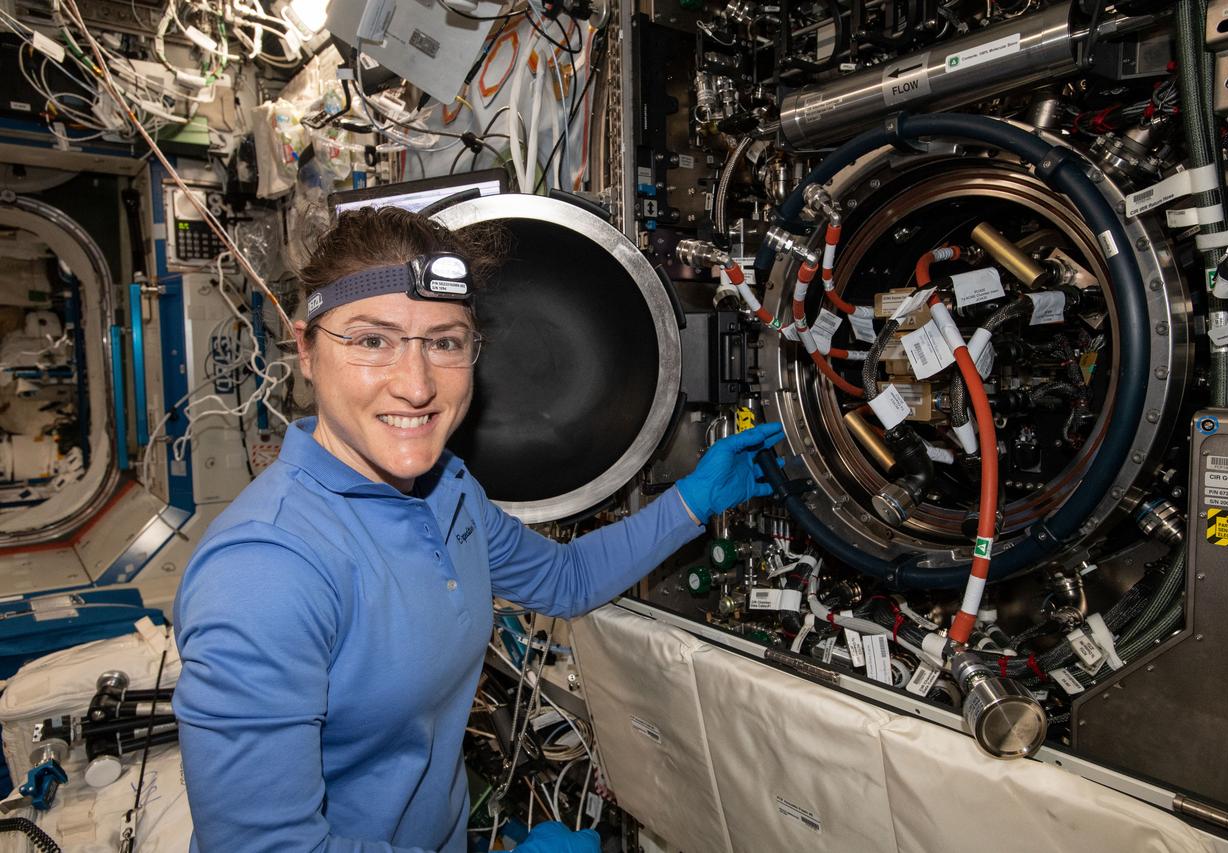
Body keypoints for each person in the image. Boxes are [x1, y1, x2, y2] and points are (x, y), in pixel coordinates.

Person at [172, 206, 786, 852]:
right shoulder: (266, 572)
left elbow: (563, 578)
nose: (415, 384)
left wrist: (692, 500)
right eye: (371, 340)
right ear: (305, 349)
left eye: (444, 341)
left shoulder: (445, 491)